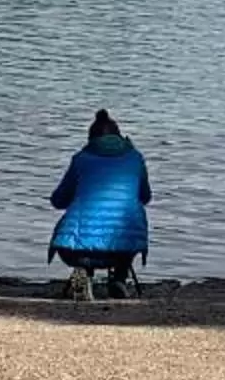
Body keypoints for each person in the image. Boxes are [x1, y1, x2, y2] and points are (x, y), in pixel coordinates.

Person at [48, 108, 152, 301]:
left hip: (76, 251)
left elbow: (58, 201)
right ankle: (119, 279)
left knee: (81, 220)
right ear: (119, 137)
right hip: (123, 249)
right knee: (131, 216)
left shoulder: (80, 159)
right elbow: (145, 197)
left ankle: (85, 275)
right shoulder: (135, 159)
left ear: (91, 139)